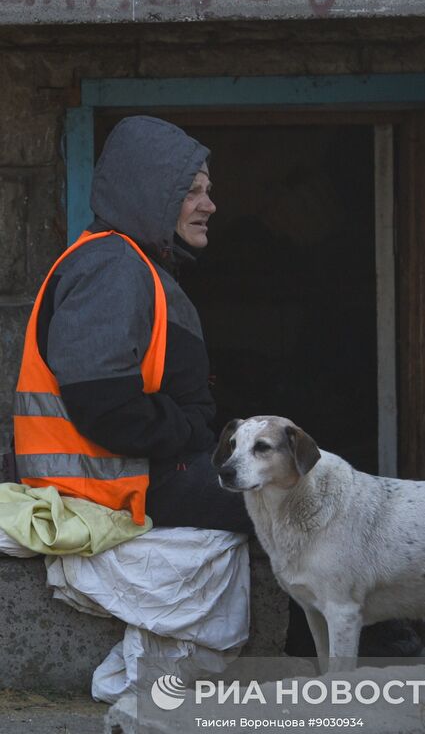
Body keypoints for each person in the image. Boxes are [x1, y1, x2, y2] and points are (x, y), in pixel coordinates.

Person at [13, 115, 254, 537]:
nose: (209, 205)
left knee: (293, 486)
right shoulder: (111, 266)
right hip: (110, 487)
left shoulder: (134, 264)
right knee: (293, 502)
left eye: (208, 190)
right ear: (150, 192)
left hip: (131, 477)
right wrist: (188, 427)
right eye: (191, 191)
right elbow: (105, 404)